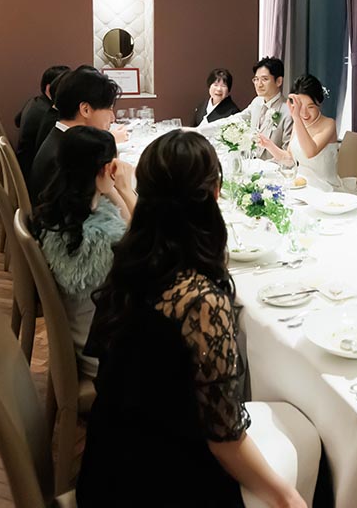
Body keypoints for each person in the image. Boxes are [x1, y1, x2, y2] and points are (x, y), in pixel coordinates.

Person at [79, 131, 309, 508]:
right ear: (215, 194)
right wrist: (288, 499)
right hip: (162, 482)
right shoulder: (200, 300)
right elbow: (225, 440)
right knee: (299, 441)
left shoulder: (130, 261)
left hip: (106, 464)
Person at [31, 126, 134, 377]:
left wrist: (108, 185)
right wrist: (126, 189)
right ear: (104, 169)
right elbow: (149, 241)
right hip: (104, 349)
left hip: (84, 330)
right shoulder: (99, 239)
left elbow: (128, 222)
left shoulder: (63, 213)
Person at [29, 69, 121, 200]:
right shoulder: (68, 155)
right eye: (109, 109)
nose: (113, 118)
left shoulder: (60, 138)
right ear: (85, 109)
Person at [258, 74, 346, 192]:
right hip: (302, 184)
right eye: (300, 107)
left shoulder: (329, 124)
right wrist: (268, 144)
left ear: (319, 103)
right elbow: (289, 159)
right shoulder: (298, 124)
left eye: (310, 107)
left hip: (325, 188)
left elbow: (310, 152)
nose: (304, 113)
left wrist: (296, 117)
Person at [14, 64, 69, 180]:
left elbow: (16, 121)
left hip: (26, 165)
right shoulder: (48, 115)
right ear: (50, 88)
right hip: (33, 174)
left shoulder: (35, 102)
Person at [246, 57, 294, 159]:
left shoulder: (288, 111)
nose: (259, 84)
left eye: (265, 79)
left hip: (273, 167)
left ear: (279, 81)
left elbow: (288, 154)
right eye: (256, 79)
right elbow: (238, 118)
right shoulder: (256, 102)